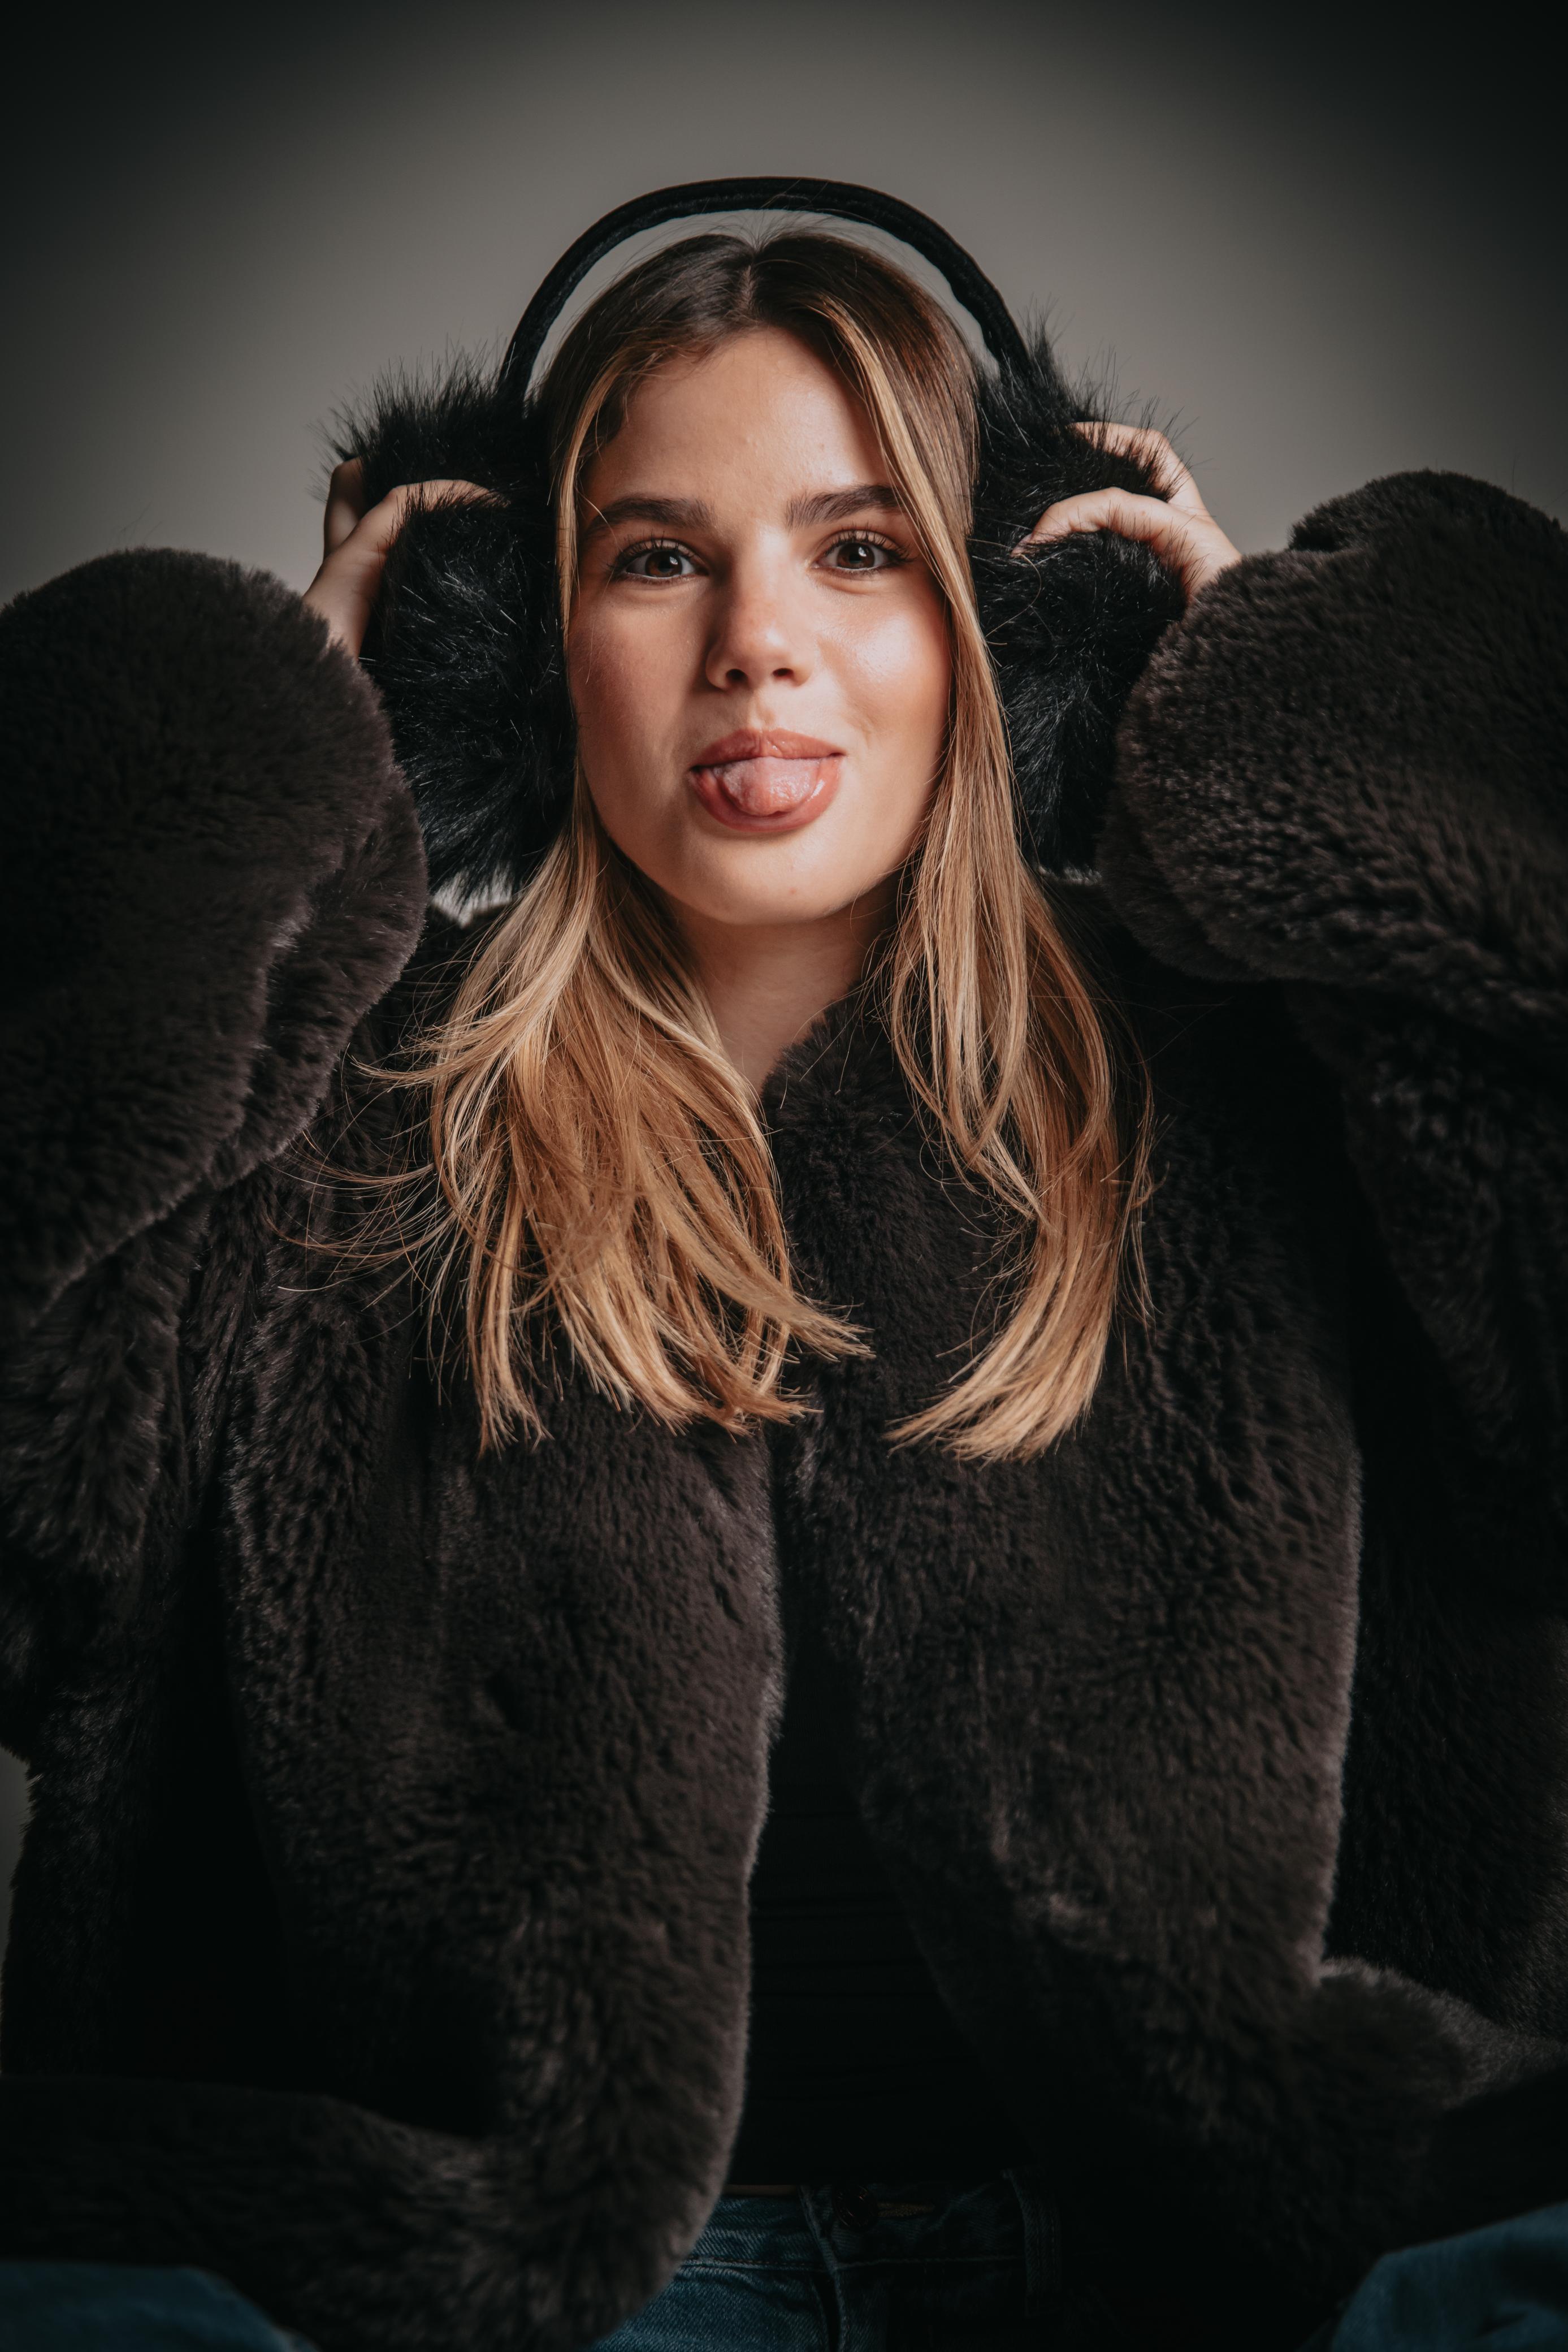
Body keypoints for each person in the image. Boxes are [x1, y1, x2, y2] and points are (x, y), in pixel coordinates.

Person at [1, 192, 1567, 2352]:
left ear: (1017, 632)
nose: (758, 641)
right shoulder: (338, 1121)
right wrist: (244, 783)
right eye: (658, 557)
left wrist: (1329, 721)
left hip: (1203, 2259)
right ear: (512, 654)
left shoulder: (1252, 1079)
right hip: (525, 2287)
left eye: (861, 548)